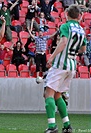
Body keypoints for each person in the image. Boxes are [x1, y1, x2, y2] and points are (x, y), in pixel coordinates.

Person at [43, 4, 86, 133]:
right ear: (78, 16)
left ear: (66, 14)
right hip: (72, 65)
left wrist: (51, 57)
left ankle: (52, 126)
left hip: (61, 63)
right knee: (57, 95)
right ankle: (67, 125)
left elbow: (63, 42)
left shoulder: (65, 26)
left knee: (48, 94)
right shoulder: (82, 30)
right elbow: (83, 50)